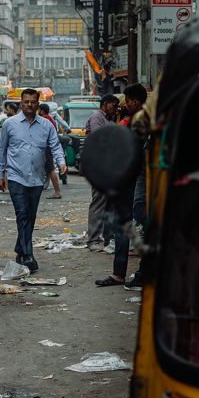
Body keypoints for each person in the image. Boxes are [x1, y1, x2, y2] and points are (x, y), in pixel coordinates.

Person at [0, 88, 66, 274]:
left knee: (30, 216)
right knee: (22, 214)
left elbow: (55, 146)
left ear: (37, 103)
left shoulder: (46, 125)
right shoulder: (9, 124)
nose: (29, 105)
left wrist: (61, 163)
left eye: (33, 102)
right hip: (16, 176)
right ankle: (28, 254)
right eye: (26, 102)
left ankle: (20, 249)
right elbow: (1, 149)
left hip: (36, 178)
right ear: (21, 103)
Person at [96, 84, 148, 287]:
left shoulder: (142, 122)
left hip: (137, 180)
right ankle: (121, 273)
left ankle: (139, 272)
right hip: (130, 180)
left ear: (134, 101)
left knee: (140, 223)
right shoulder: (131, 120)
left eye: (127, 101)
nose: (124, 104)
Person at [84, 94, 120, 251]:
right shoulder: (97, 117)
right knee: (99, 202)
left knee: (110, 203)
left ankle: (108, 237)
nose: (115, 108)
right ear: (105, 103)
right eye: (114, 105)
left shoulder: (110, 119)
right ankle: (93, 239)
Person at [38, 103, 63, 199]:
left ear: (42, 110)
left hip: (47, 146)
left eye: (38, 109)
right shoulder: (49, 118)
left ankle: (57, 192)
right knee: (49, 169)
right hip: (48, 146)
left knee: (50, 169)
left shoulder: (45, 119)